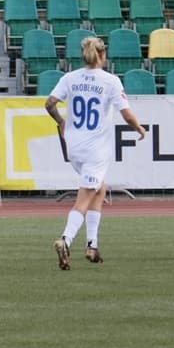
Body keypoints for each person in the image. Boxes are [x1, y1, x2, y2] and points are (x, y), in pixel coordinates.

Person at [46, 36, 147, 270]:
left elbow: (49, 104)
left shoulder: (70, 78)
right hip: (95, 150)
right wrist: (139, 128)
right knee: (84, 198)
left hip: (73, 147)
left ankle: (92, 245)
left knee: (100, 189)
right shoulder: (110, 81)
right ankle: (66, 239)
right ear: (102, 55)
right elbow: (126, 114)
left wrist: (61, 122)